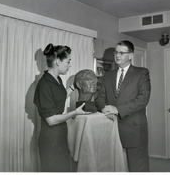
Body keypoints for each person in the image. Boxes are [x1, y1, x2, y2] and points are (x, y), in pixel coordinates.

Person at [34, 43, 91, 172]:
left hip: (60, 135)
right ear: (58, 62)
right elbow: (51, 120)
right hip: (50, 139)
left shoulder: (56, 79)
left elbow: (58, 100)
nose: (70, 65)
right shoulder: (44, 84)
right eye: (68, 61)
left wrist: (73, 87)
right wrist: (75, 113)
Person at [95, 40, 151, 172]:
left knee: (138, 168)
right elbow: (100, 98)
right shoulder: (108, 75)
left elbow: (143, 99)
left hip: (134, 129)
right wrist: (104, 108)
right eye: (116, 52)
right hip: (111, 128)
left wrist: (117, 110)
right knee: (112, 168)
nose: (117, 55)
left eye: (121, 52)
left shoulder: (141, 73)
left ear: (130, 55)